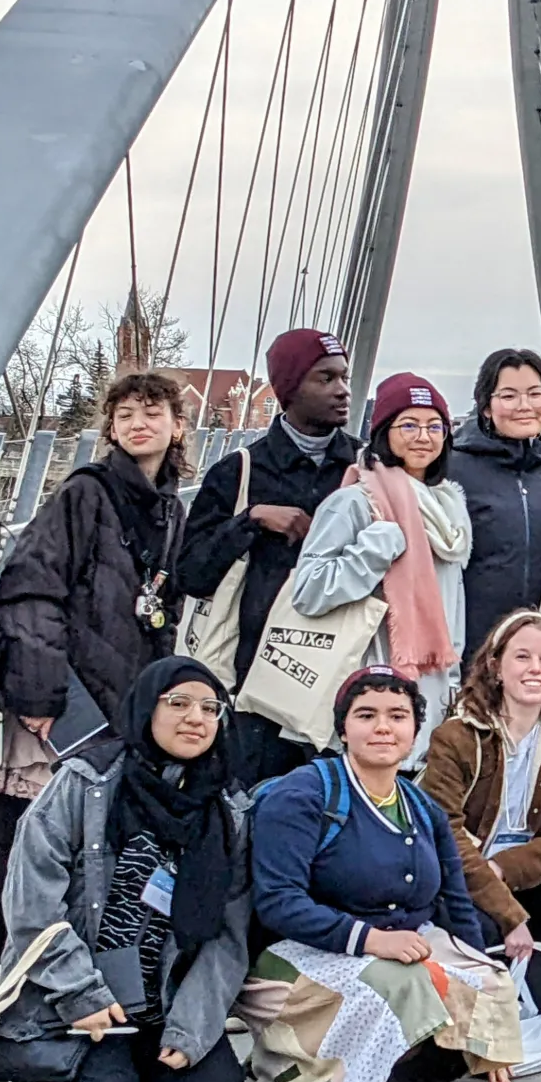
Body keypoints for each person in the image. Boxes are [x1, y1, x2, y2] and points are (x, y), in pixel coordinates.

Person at [0, 657, 252, 1082]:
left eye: (210, 708)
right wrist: (79, 995)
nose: (196, 718)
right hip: (71, 1001)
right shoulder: (84, 783)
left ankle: (123, 1075)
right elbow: (31, 906)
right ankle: (75, 1076)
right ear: (145, 708)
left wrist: (191, 1029)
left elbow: (228, 937)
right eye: (178, 703)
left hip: (163, 1002)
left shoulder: (229, 811)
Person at [247, 666, 519, 1082]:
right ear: (343, 728)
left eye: (397, 716)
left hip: (398, 944)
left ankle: (408, 1053)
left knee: (490, 976)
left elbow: (456, 902)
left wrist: (485, 1017)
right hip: (300, 953)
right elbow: (277, 901)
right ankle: (299, 1081)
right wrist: (369, 940)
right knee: (398, 982)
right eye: (366, 715)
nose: (382, 727)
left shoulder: (420, 804)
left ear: (415, 731)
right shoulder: (304, 794)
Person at [418, 610, 541, 1024]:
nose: (536, 669)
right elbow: (445, 834)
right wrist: (509, 915)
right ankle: (490, 1008)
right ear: (495, 667)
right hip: (466, 881)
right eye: (522, 657)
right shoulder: (456, 735)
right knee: (486, 928)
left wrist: (507, 869)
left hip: (521, 874)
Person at [177, 328, 359, 783]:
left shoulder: (368, 467)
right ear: (288, 389)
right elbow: (191, 573)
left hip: (341, 678)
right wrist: (251, 520)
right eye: (325, 378)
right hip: (255, 687)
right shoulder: (238, 472)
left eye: (345, 377)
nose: (343, 390)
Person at [0, 372, 189, 741]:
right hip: (72, 693)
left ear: (177, 427)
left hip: (129, 694)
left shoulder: (172, 511)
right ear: (112, 431)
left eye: (151, 413)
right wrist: (41, 693)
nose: (138, 424)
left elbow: (168, 609)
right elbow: (31, 588)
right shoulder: (84, 492)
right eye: (125, 415)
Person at [293, 372, 472, 767]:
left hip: (431, 697)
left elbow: (451, 606)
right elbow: (309, 589)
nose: (423, 436)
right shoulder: (357, 502)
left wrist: (452, 689)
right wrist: (375, 549)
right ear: (383, 432)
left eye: (434, 425)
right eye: (408, 425)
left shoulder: (450, 509)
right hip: (368, 694)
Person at [450, 348, 541, 671]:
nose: (524, 406)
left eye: (536, 394)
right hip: (467, 657)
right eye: (508, 395)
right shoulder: (451, 471)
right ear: (486, 407)